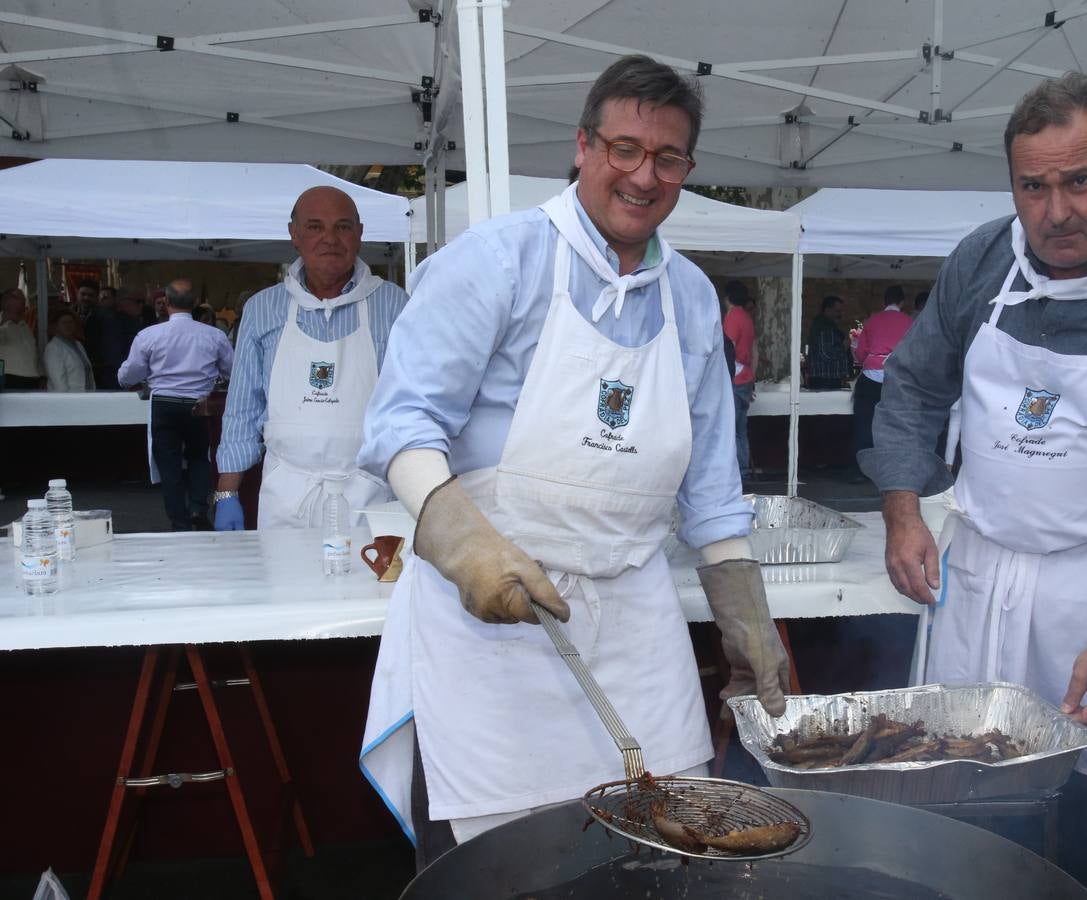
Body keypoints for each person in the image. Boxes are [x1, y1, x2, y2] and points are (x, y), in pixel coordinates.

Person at [355, 54, 790, 867]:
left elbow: (711, 487)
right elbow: (401, 422)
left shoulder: (693, 297)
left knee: (667, 856)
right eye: (624, 149)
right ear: (584, 147)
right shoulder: (496, 261)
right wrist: (464, 543)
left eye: (668, 158)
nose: (642, 175)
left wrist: (746, 618)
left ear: (687, 170)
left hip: (633, 621)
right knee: (501, 867)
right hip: (489, 623)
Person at [862, 72, 1087, 899]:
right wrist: (902, 509)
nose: (1056, 212)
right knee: (963, 796)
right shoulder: (984, 260)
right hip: (981, 572)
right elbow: (914, 387)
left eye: (1079, 181)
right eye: (1034, 186)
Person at [213, 186, 409, 530]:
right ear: (294, 234)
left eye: (343, 227)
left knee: (370, 585)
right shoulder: (262, 309)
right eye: (315, 226)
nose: (330, 238)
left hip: (371, 495)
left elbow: (414, 405)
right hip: (287, 495)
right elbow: (243, 409)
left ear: (360, 234)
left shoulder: (395, 306)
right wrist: (226, 494)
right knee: (287, 584)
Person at [119, 280, 234, 531]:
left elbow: (132, 372)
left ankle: (178, 519)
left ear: (166, 303)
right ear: (194, 304)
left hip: (164, 403)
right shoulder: (214, 335)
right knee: (200, 457)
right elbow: (231, 369)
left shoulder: (149, 335)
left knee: (168, 463)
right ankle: (197, 508)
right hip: (199, 402)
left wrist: (124, 379)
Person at [851, 284, 915, 480]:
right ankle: (897, 471)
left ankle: (861, 471)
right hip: (898, 376)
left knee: (864, 422)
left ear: (883, 301)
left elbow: (861, 354)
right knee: (898, 424)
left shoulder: (872, 321)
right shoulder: (909, 322)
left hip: (872, 375)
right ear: (902, 302)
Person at [722, 279, 758, 478]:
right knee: (741, 430)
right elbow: (755, 351)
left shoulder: (733, 317)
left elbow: (729, 348)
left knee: (730, 429)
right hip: (745, 378)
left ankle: (734, 473)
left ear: (727, 298)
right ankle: (743, 470)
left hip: (734, 378)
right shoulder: (747, 318)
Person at [86, 293, 144, 389]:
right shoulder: (113, 321)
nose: (141, 305)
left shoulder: (131, 321)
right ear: (123, 302)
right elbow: (113, 354)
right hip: (118, 377)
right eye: (137, 302)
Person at [43, 309, 95, 392]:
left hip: (85, 397)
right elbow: (58, 381)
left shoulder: (78, 345)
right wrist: (67, 401)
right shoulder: (53, 348)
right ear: (56, 326)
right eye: (64, 323)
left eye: (70, 322)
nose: (68, 325)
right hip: (68, 399)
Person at [806, 295, 850, 389]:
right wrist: (844, 346)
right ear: (827, 310)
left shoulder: (826, 326)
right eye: (837, 311)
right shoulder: (824, 328)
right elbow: (826, 354)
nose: (840, 314)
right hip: (825, 380)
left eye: (841, 311)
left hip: (825, 378)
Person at [0, 288, 42, 389]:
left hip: (32, 378)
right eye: (17, 298)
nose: (23, 301)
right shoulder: (2, 325)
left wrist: (41, 374)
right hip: (9, 377)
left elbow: (33, 352)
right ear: (5, 301)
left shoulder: (25, 327)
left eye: (23, 298)